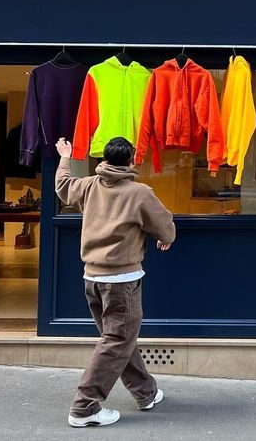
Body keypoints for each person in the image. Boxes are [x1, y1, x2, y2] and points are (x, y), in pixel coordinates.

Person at [55, 136, 176, 427]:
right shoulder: (140, 193)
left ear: (104, 160)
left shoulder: (89, 186)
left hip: (91, 278)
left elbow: (63, 185)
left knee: (120, 339)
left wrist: (65, 156)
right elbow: (165, 227)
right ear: (132, 161)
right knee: (117, 340)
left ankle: (145, 392)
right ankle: (84, 407)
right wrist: (164, 237)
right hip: (122, 281)